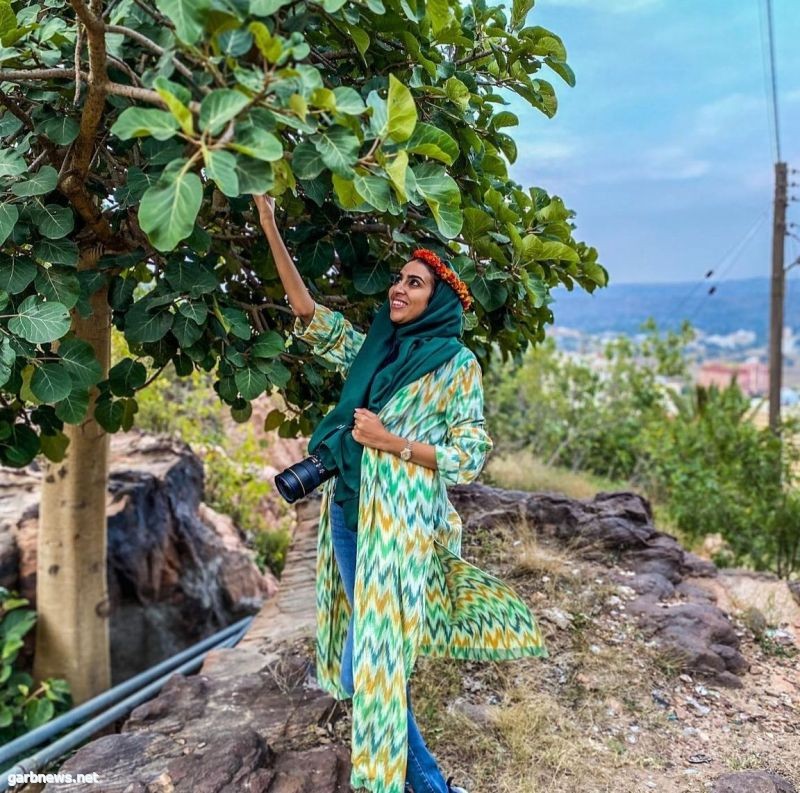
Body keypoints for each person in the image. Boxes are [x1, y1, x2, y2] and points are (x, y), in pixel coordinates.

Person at [255, 194, 548, 793]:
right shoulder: (375, 345)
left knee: (371, 664)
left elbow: (469, 456)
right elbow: (307, 310)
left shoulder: (456, 366)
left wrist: (392, 442)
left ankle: (431, 787)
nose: (399, 290)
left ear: (436, 299)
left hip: (400, 528)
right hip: (347, 512)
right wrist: (269, 227)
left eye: (413, 284)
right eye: (398, 280)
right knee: (373, 661)